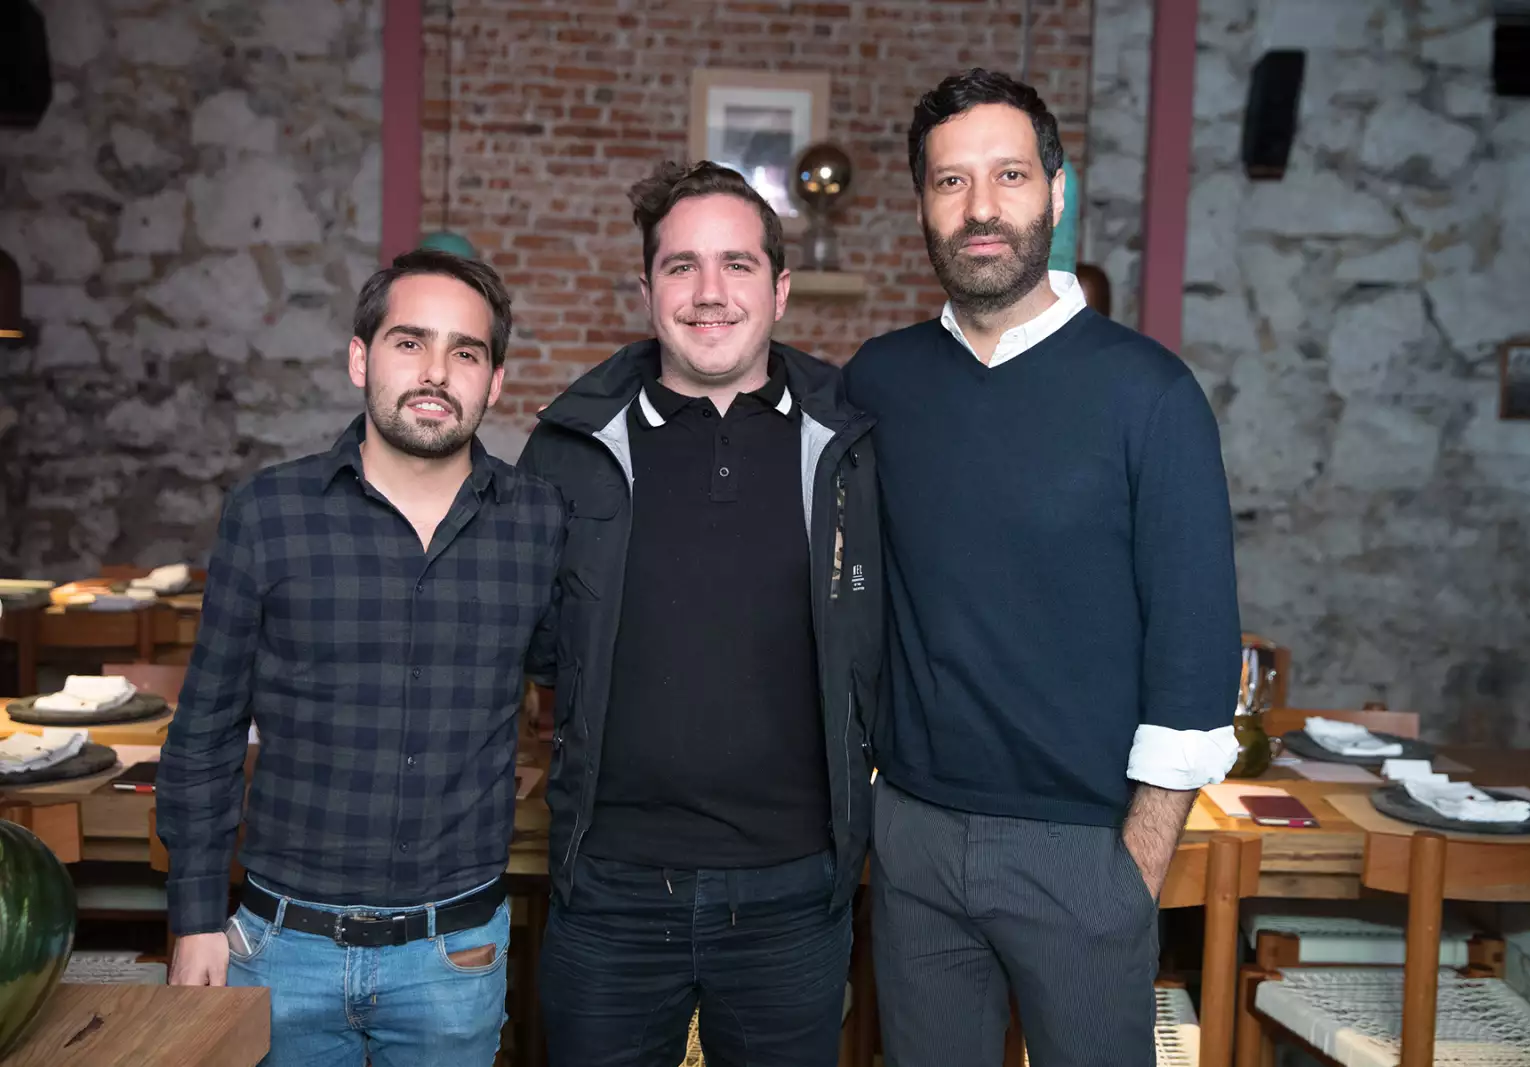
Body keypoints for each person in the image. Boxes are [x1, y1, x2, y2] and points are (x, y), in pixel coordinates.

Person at [843, 69, 1241, 1067]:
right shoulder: (876, 382)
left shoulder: (1148, 394)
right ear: (922, 204)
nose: (981, 208)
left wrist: (1133, 867)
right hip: (913, 841)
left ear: (1056, 194)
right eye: (949, 181)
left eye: (1009, 174)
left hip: (1084, 846)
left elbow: (1194, 652)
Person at [157, 249, 563, 1067]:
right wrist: (196, 918)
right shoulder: (269, 513)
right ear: (360, 357)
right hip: (276, 952)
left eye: (466, 352)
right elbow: (205, 730)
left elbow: (581, 704)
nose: (437, 372)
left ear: (496, 381)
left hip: (454, 957)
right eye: (410, 342)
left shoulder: (541, 523)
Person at [517, 160, 880, 1067]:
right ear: (646, 290)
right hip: (610, 889)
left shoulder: (857, 445)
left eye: (738, 265)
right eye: (681, 266)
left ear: (780, 288)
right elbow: (530, 647)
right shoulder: (568, 447)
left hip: (795, 891)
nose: (709, 293)